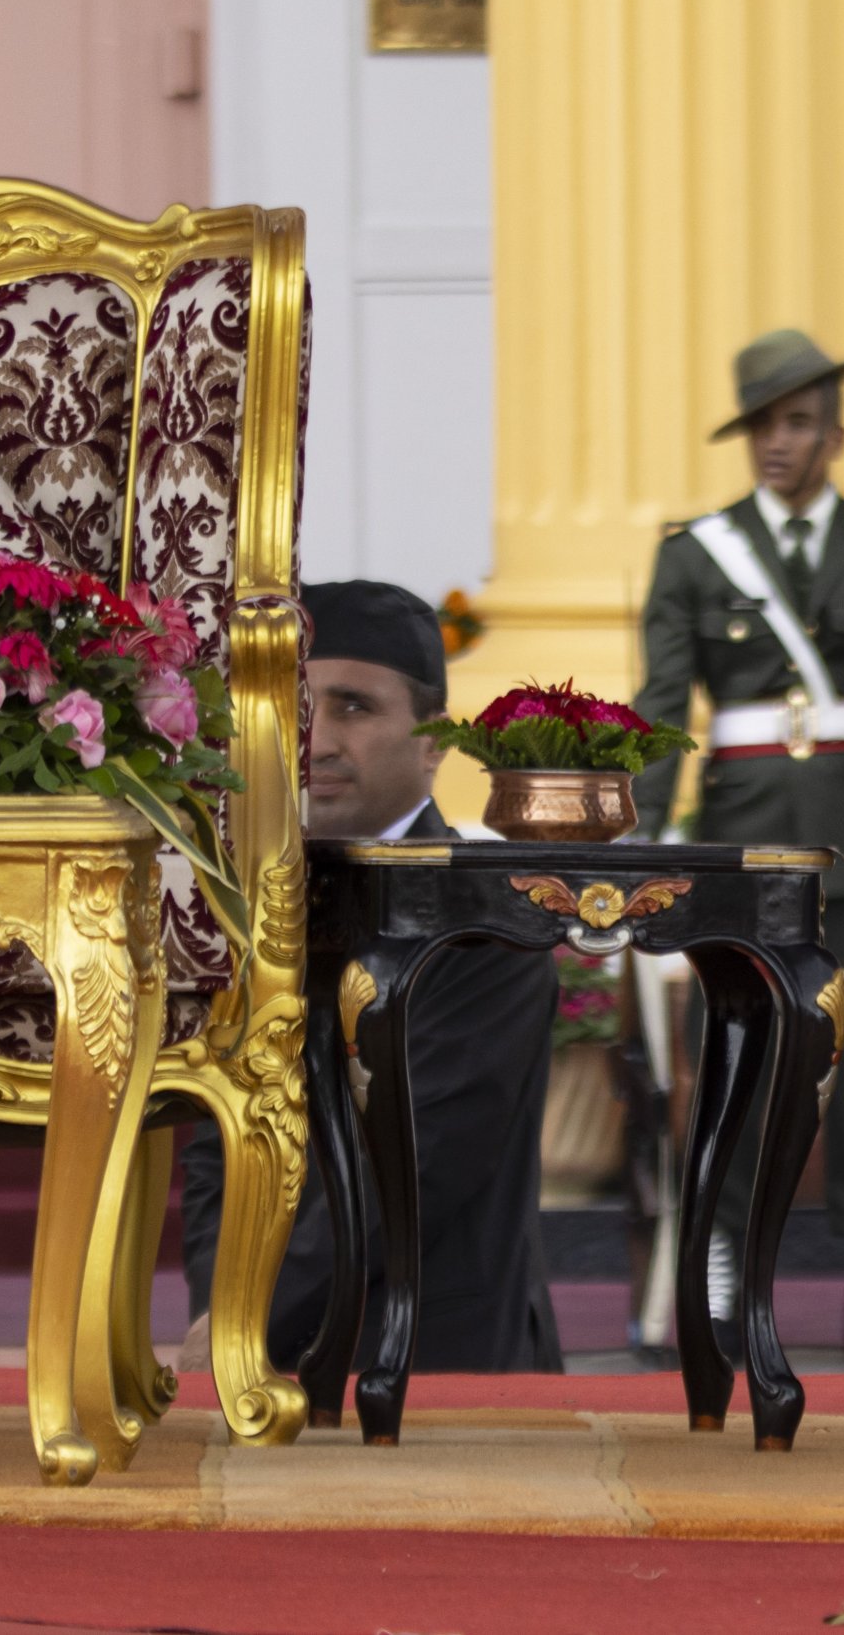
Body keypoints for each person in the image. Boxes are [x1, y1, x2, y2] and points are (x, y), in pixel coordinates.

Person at [635, 327, 844, 1367]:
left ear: (835, 436)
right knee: (738, 1055)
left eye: (796, 423)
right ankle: (720, 1274)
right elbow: (663, 710)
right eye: (762, 424)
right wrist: (644, 850)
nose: (777, 442)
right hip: (739, 848)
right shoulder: (693, 554)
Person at [176, 580, 561, 1378]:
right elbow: (217, 1143)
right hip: (262, 1364)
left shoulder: (488, 918)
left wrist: (247, 1324)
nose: (316, 740)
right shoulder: (239, 902)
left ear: (433, 743)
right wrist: (222, 1309)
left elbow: (411, 1162)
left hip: (438, 1368)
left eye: (354, 707)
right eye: (300, 706)